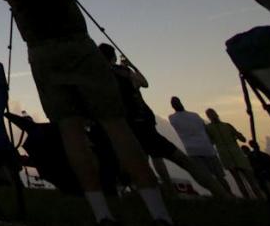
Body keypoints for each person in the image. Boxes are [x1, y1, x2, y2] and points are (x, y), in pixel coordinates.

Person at [0, 0, 173, 226]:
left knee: (70, 130)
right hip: (78, 45)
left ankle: (102, 213)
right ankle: (158, 213)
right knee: (116, 125)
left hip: (42, 54)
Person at [97, 44, 230, 197]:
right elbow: (144, 83)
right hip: (144, 122)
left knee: (135, 164)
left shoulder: (101, 76)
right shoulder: (126, 73)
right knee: (182, 160)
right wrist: (131, 66)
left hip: (126, 127)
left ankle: (142, 193)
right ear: (113, 57)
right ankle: (222, 193)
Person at [167, 98, 227, 192]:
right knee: (217, 175)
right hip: (205, 148)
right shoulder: (194, 115)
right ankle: (226, 193)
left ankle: (220, 193)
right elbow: (204, 128)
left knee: (208, 177)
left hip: (194, 150)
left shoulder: (172, 118)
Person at [204, 108, 262, 199]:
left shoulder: (227, 126)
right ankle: (249, 200)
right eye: (210, 114)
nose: (212, 115)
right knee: (239, 180)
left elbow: (242, 139)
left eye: (213, 113)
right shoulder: (209, 128)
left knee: (250, 179)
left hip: (237, 154)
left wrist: (239, 136)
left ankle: (260, 198)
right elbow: (210, 142)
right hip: (226, 156)